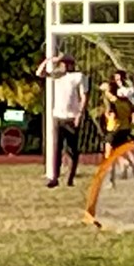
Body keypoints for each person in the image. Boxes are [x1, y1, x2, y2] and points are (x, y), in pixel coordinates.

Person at [34, 52, 88, 188]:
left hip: (71, 117)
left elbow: (84, 97)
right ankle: (55, 177)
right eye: (61, 63)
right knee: (56, 148)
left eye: (65, 63)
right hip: (58, 117)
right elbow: (39, 73)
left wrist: (79, 114)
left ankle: (70, 176)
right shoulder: (57, 76)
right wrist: (48, 60)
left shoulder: (78, 76)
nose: (63, 65)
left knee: (72, 149)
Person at [101, 69, 134, 180]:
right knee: (123, 150)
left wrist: (106, 88)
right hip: (125, 128)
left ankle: (111, 176)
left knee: (109, 153)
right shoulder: (127, 103)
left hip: (114, 129)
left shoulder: (116, 100)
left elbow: (106, 93)